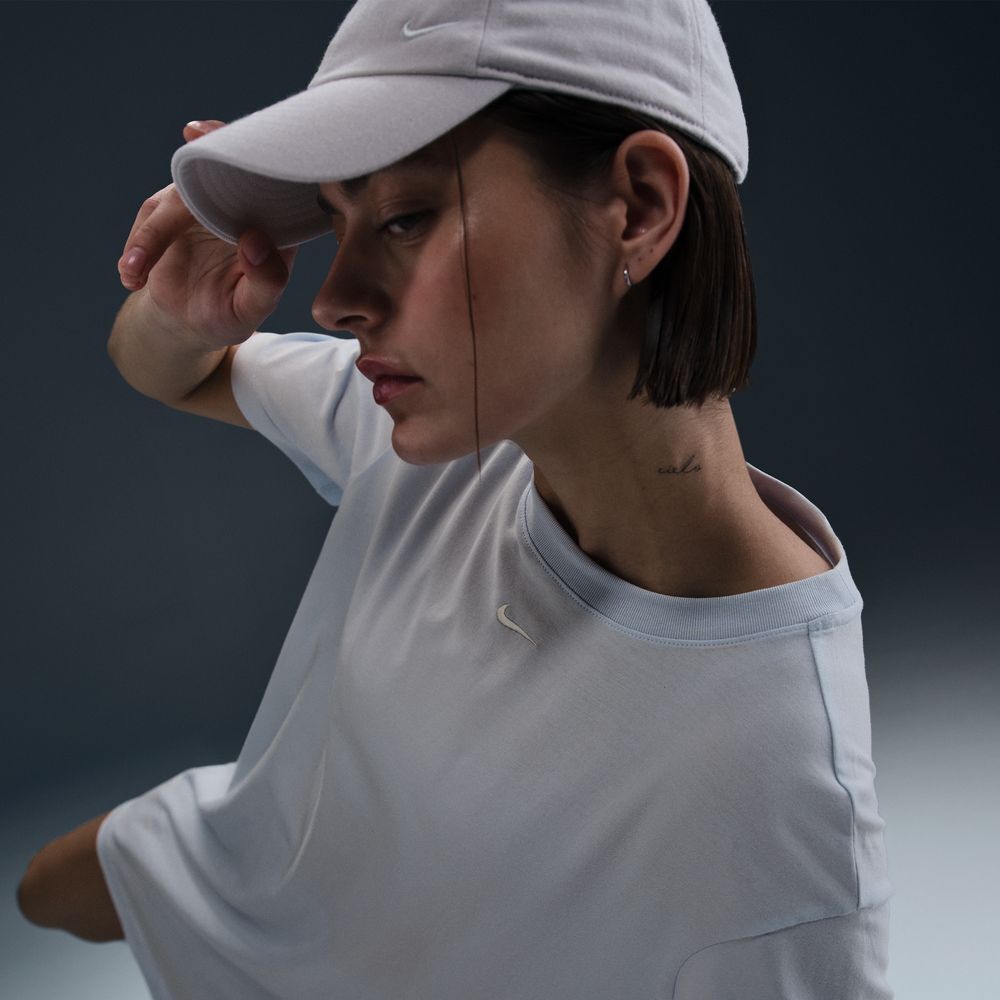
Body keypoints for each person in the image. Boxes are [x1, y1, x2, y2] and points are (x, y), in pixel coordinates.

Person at [17, 0, 895, 996]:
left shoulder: (781, 826)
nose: (332, 298)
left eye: (404, 217)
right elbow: (168, 368)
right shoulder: (443, 432)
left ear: (641, 207)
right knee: (38, 890)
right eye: (337, 221)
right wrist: (180, 313)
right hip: (226, 882)